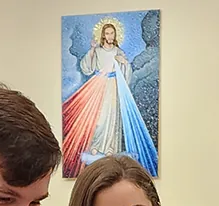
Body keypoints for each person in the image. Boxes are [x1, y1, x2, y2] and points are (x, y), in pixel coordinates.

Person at [62, 19, 158, 177]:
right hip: (99, 85)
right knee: (100, 118)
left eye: (112, 33)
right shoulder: (98, 51)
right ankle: (96, 146)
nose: (110, 35)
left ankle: (110, 149)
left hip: (114, 86)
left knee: (113, 118)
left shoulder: (118, 52)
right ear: (103, 35)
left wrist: (124, 63)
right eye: (107, 33)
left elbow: (127, 72)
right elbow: (87, 68)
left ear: (115, 34)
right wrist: (92, 50)